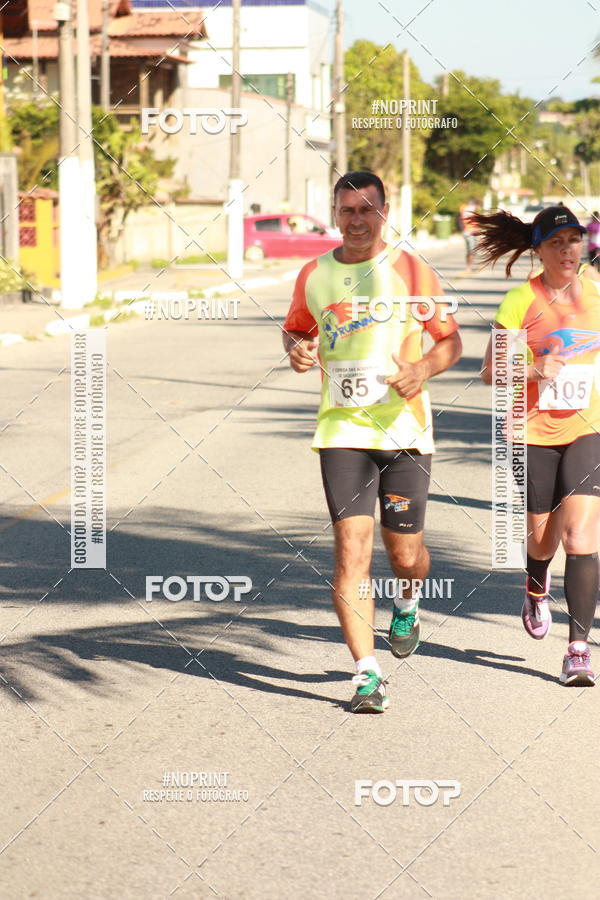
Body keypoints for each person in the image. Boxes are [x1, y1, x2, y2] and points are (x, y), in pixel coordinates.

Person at [282, 171, 462, 713]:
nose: (357, 220)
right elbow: (296, 328)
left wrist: (423, 368)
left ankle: (407, 601)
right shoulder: (314, 274)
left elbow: (450, 340)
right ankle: (366, 674)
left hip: (406, 432)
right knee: (351, 552)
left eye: (367, 210)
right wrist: (295, 349)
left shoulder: (411, 269)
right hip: (341, 431)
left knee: (405, 555)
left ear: (385, 212)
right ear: (335, 213)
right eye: (347, 210)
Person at [478, 205, 599, 685]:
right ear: (539, 250)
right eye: (556, 242)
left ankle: (577, 650)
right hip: (530, 431)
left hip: (588, 428)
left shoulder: (597, 293)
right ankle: (535, 585)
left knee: (581, 538)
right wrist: (532, 370)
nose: (567, 249)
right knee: (542, 536)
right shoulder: (518, 302)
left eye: (574, 240)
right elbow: (490, 372)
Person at [458, 199, 479, 277]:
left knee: (469, 251)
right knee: (472, 251)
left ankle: (468, 267)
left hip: (466, 232)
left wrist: (462, 229)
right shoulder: (472, 210)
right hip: (471, 232)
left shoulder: (464, 209)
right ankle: (469, 268)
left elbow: (460, 219)